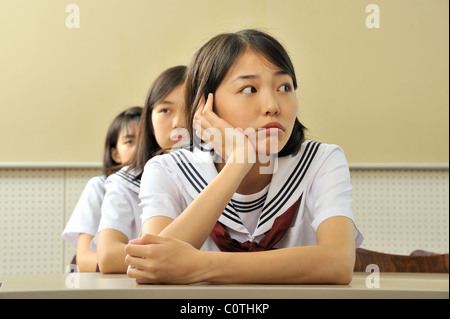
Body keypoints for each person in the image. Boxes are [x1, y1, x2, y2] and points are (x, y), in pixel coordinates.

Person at [125, 29, 364, 284]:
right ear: (206, 106)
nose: (273, 105)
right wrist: (239, 162)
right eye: (249, 88)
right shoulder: (167, 169)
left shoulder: (322, 160)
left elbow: (337, 263)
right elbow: (151, 265)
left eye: (284, 87)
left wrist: (200, 265)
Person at [94, 65, 188, 274]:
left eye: (189, 108)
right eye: (165, 110)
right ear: (149, 119)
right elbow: (108, 256)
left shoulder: (223, 171)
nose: (178, 122)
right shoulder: (125, 181)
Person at [61, 106, 142, 272]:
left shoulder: (165, 186)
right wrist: (150, 265)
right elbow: (83, 259)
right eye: (129, 142)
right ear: (115, 154)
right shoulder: (98, 187)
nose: (139, 149)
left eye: (145, 141)